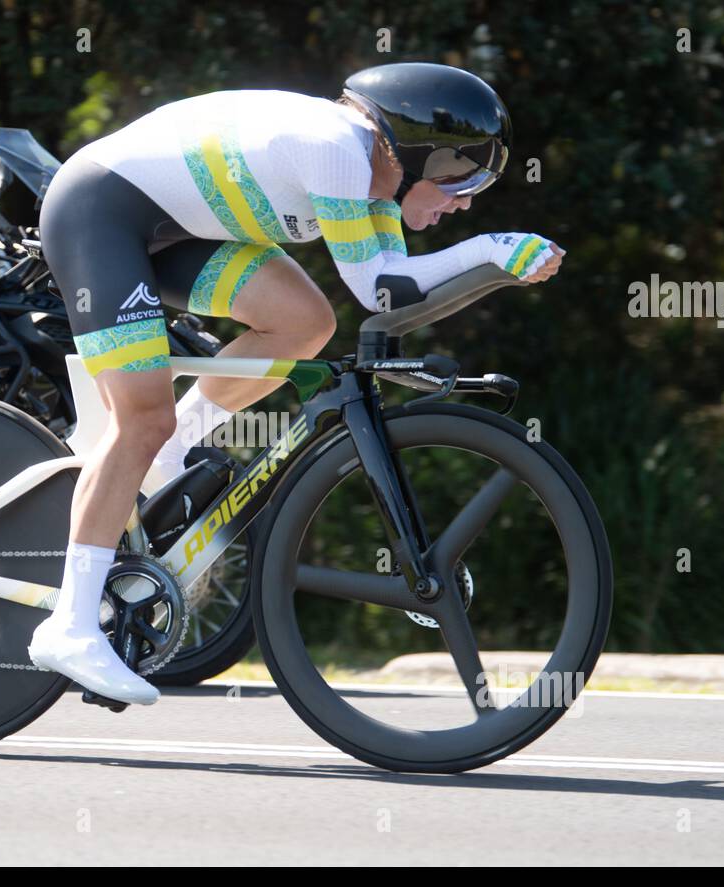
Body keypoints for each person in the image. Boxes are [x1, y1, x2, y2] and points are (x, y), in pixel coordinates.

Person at [31, 62, 565, 705]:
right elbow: (380, 287)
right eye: (461, 175)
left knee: (304, 323)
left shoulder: (374, 182)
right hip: (99, 213)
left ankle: (176, 445)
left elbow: (392, 297)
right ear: (413, 152)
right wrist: (491, 250)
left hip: (172, 230)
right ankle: (69, 625)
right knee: (141, 418)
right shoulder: (338, 148)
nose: (466, 198)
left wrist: (494, 264)